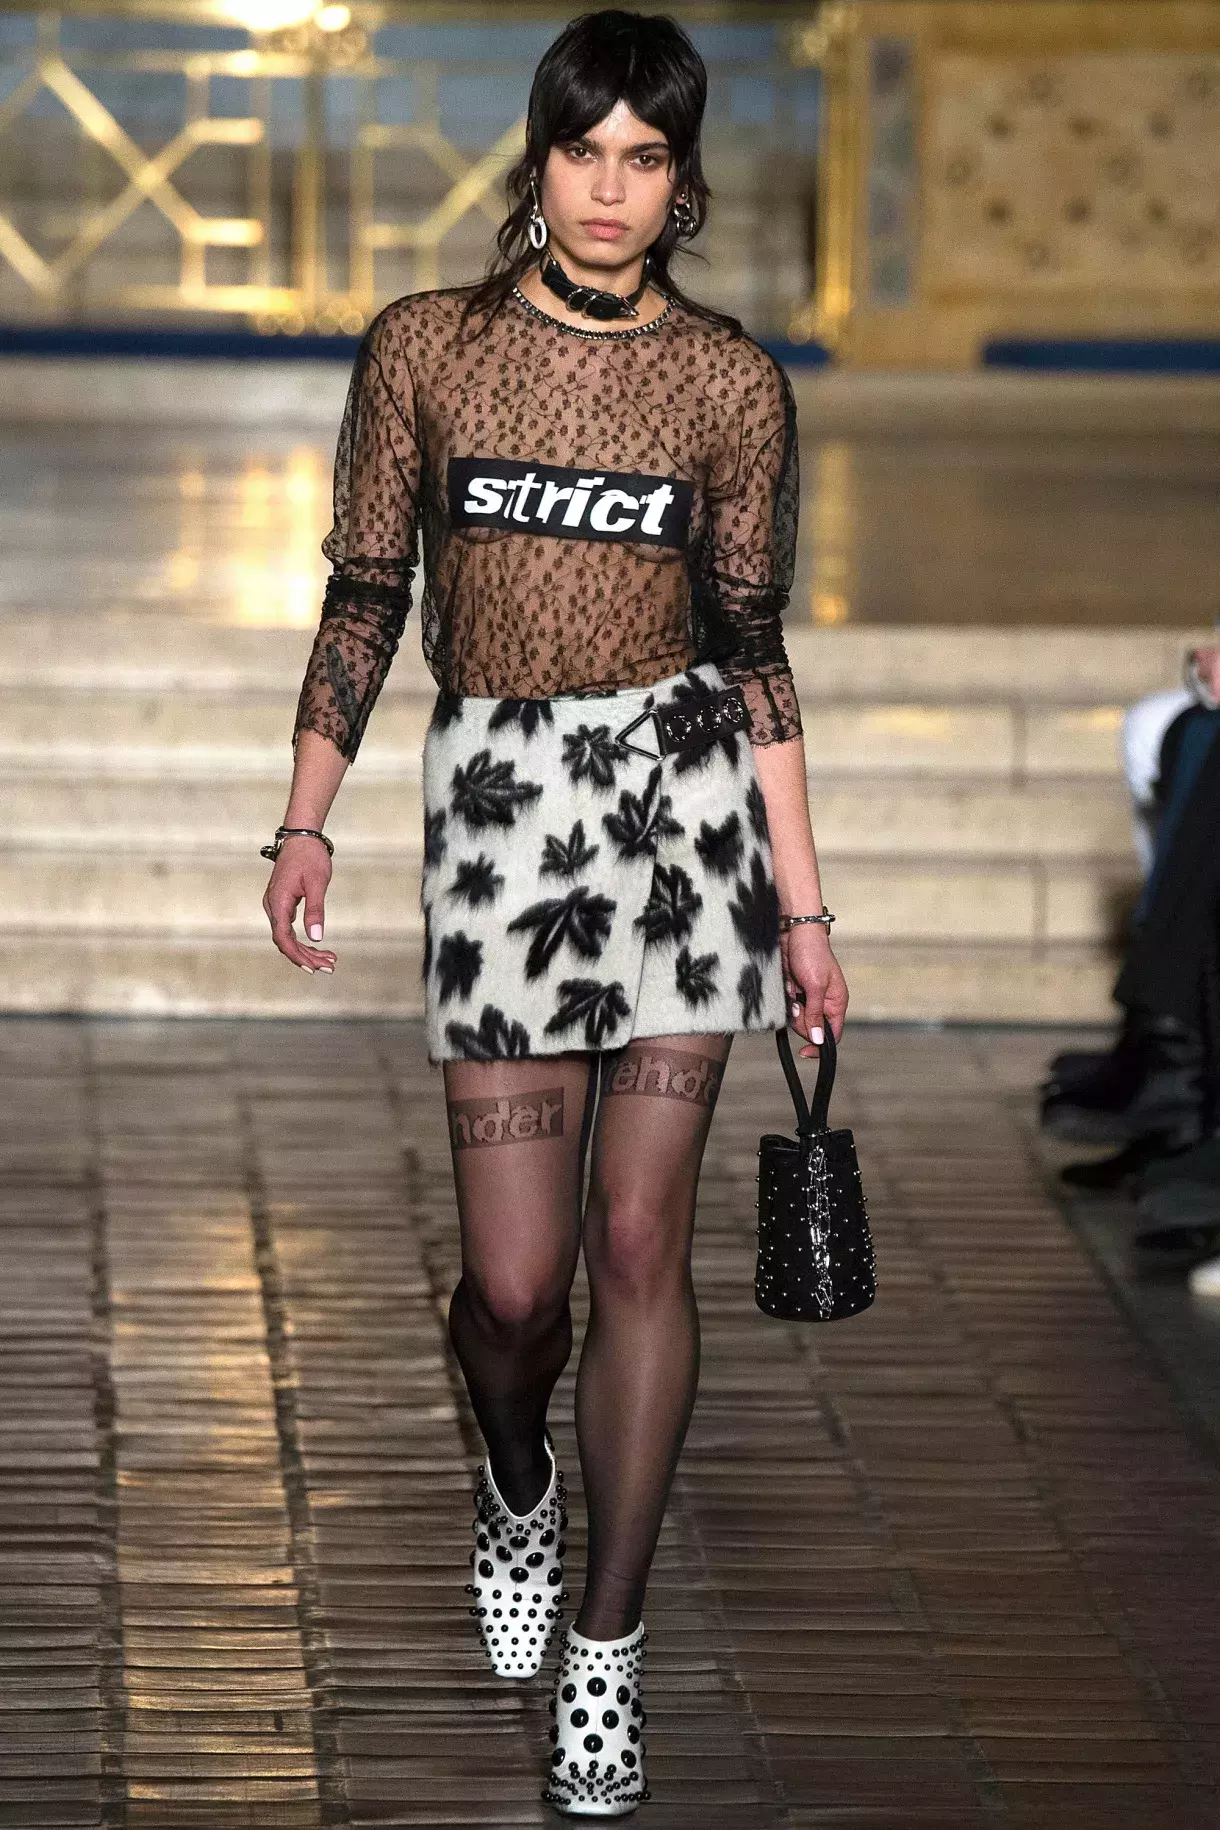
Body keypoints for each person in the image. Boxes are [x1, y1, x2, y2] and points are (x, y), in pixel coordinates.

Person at [260, 10, 847, 1816]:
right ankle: (514, 1472)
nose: (610, 189)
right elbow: (369, 592)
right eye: (583, 151)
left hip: (684, 815)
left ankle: (609, 1639)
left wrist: (806, 915)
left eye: (644, 158)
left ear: (682, 182)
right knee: (516, 1291)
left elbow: (753, 652)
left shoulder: (731, 384)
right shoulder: (426, 349)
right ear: (538, 162)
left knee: (639, 1242)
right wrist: (305, 817)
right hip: (503, 812)